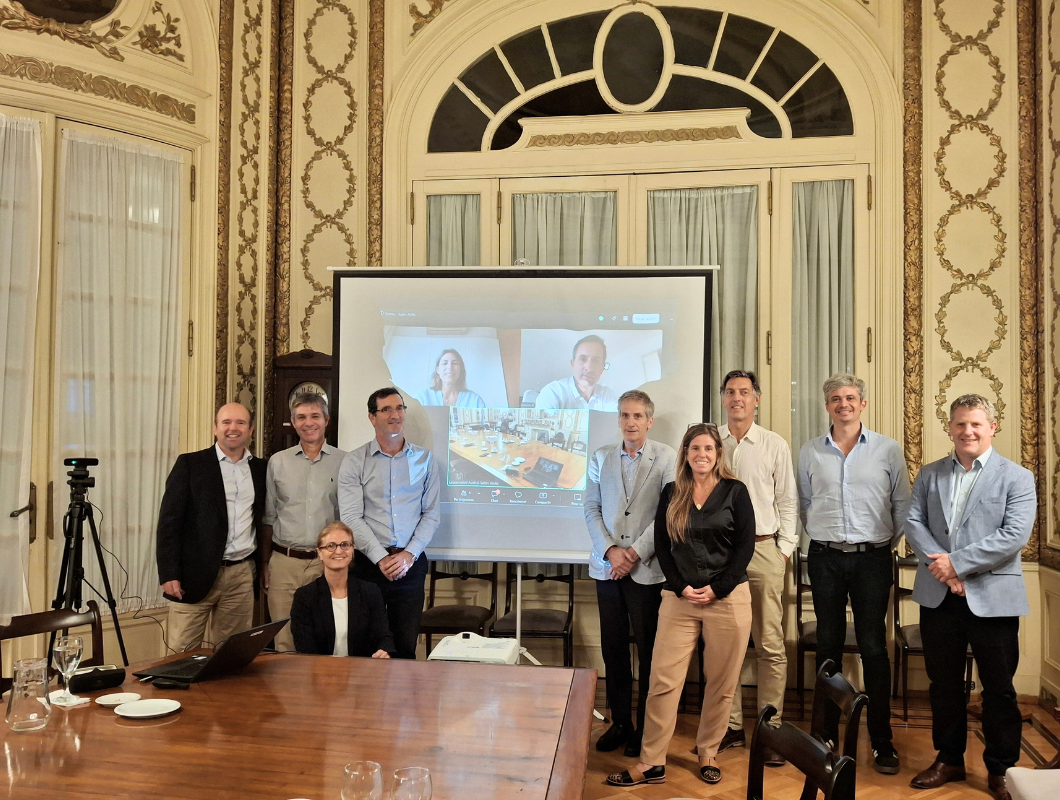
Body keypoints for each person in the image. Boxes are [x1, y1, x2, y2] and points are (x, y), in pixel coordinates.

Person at [608, 423, 755, 788]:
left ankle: (708, 752)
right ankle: (651, 762)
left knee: (721, 683)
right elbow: (662, 543)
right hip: (679, 599)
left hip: (728, 599)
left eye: (708, 449)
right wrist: (680, 586)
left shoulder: (735, 491)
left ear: (718, 454)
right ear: (685, 454)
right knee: (662, 681)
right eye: (695, 449)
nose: (701, 455)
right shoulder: (672, 492)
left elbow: (745, 547)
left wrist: (717, 588)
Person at [905, 395, 1036, 800]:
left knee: (999, 689)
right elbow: (913, 522)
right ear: (950, 428)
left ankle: (1001, 768)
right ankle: (949, 759)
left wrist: (957, 565)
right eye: (960, 424)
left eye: (976, 424)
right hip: (939, 597)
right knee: (943, 684)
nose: (968, 431)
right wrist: (944, 570)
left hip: (993, 598)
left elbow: (1013, 536)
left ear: (992, 427)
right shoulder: (930, 474)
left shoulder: (1017, 477)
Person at [797, 373, 910, 774]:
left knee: (873, 647)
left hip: (872, 560)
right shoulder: (810, 451)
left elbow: (901, 507)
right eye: (835, 398)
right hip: (825, 558)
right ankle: (825, 733)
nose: (842, 404)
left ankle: (881, 741)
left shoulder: (887, 449)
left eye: (850, 398)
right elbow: (806, 504)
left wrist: (877, 544)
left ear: (862, 403)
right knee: (827, 645)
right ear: (826, 405)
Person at [585, 390, 677, 757]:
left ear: (649, 421)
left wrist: (634, 553)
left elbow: (667, 513)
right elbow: (591, 509)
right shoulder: (600, 457)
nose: (631, 422)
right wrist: (611, 552)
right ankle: (621, 722)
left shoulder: (667, 457)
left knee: (649, 651)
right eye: (625, 415)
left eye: (638, 416)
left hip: (646, 570)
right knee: (613, 649)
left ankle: (646, 729)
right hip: (607, 568)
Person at [717, 370, 798, 764]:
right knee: (726, 645)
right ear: (723, 398)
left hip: (764, 551)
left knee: (769, 644)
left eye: (745, 392)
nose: (737, 398)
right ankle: (730, 727)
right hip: (720, 555)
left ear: (756, 399)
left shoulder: (773, 444)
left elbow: (788, 501)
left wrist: (783, 550)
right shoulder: (711, 442)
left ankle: (770, 729)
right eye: (731, 392)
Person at [156, 402, 267, 652]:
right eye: (226, 422)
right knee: (181, 652)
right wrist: (168, 572)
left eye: (240, 423)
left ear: (250, 429)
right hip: (192, 575)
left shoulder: (261, 469)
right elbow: (169, 522)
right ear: (215, 428)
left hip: (241, 575)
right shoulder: (190, 464)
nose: (232, 428)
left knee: (232, 653)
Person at [338, 387, 440, 659]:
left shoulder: (425, 459)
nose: (396, 415)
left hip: (410, 565)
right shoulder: (354, 461)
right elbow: (351, 517)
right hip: (368, 566)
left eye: (399, 408)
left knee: (405, 647)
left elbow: (431, 514)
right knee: (366, 647)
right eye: (387, 409)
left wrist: (409, 555)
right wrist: (380, 558)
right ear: (372, 417)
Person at [262, 393, 347, 652]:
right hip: (283, 564)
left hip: (326, 563)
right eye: (301, 417)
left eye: (314, 416)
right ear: (293, 422)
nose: (308, 423)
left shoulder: (345, 462)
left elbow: (349, 518)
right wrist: (265, 563)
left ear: (326, 420)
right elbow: (269, 517)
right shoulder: (278, 462)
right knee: (284, 641)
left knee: (325, 638)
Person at [290, 521, 394, 658]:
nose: (338, 551)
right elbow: (305, 649)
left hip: (362, 668)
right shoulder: (305, 596)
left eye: (345, 545)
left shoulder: (370, 592)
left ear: (352, 550)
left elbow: (384, 636)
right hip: (319, 669)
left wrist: (383, 651)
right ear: (320, 553)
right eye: (331, 546)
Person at [535, 335, 618, 410]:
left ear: (602, 368)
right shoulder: (553, 392)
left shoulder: (608, 396)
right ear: (573, 363)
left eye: (596, 361)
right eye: (582, 359)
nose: (589, 367)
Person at [414, 349, 486, 408]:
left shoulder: (475, 401)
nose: (450, 367)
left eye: (455, 363)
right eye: (445, 363)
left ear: (460, 370)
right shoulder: (422, 398)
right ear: (438, 370)